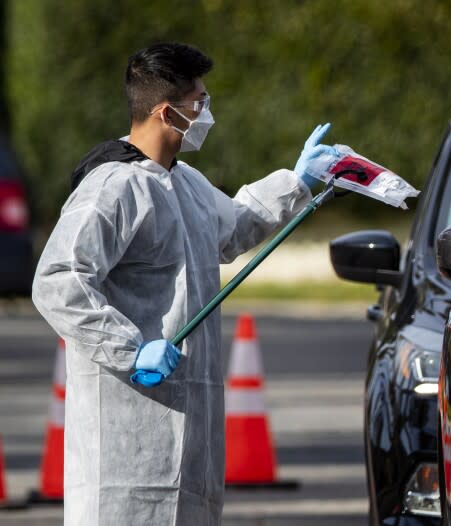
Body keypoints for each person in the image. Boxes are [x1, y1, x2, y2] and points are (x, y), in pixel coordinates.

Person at [31, 43, 340, 525]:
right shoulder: (113, 187)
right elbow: (57, 280)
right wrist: (130, 349)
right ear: (165, 111)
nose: (206, 111)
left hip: (192, 432)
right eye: (198, 101)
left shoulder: (186, 183)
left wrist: (297, 182)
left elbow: (232, 229)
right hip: (123, 432)